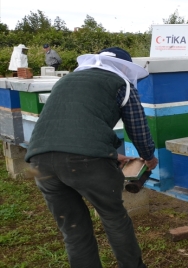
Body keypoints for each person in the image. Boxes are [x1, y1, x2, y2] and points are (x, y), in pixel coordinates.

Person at [25, 47, 158, 268]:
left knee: (73, 227)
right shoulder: (121, 84)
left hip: (40, 160)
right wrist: (148, 156)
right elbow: (138, 127)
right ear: (124, 68)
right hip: (86, 162)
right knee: (114, 218)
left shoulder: (66, 81)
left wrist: (111, 154)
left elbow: (70, 124)